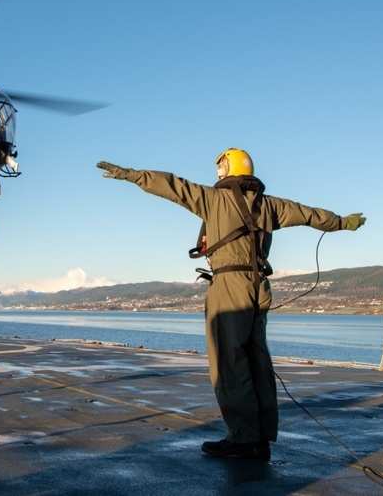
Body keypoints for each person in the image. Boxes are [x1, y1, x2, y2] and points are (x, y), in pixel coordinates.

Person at [97, 149, 365, 461]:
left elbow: (172, 185)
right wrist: (342, 223)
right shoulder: (270, 204)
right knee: (256, 361)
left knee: (229, 362)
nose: (218, 172)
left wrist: (130, 175)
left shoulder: (213, 199)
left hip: (229, 285)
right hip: (259, 286)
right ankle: (261, 437)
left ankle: (243, 438)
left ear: (228, 168)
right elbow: (308, 214)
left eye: (221, 166)